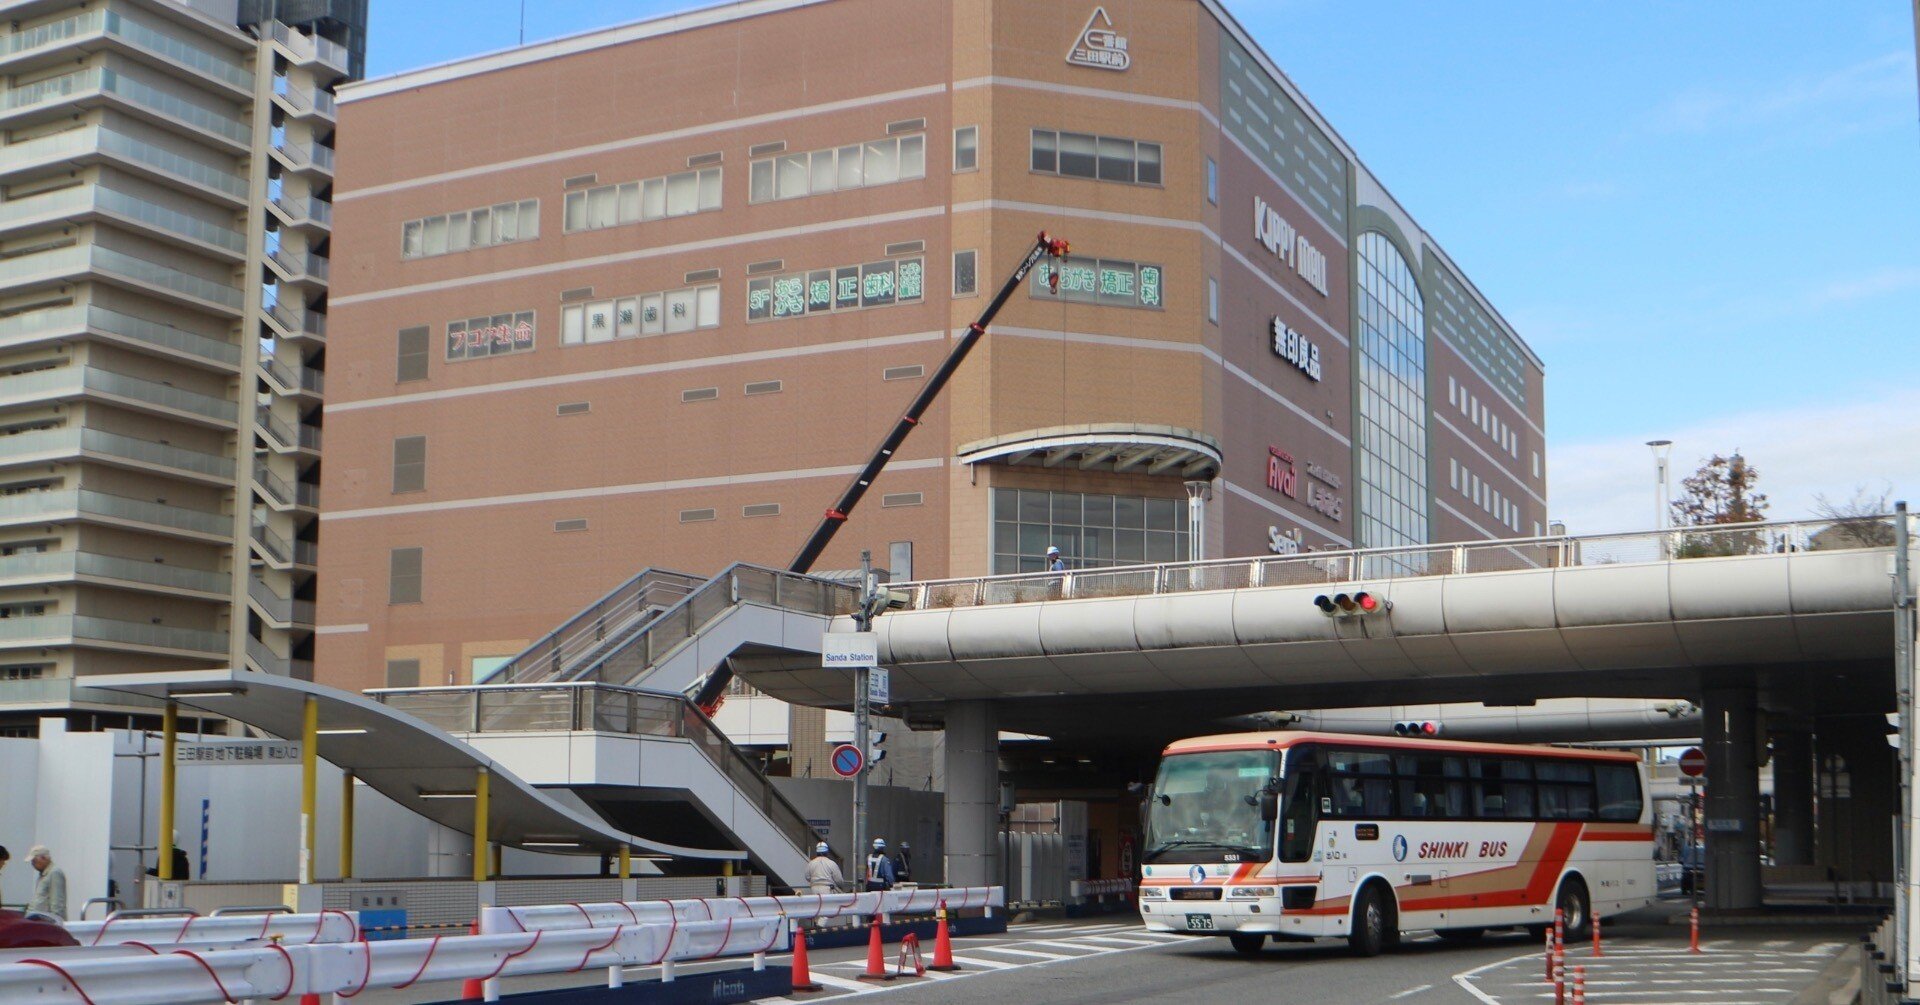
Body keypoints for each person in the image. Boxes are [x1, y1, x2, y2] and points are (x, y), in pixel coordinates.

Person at [26, 845, 65, 920]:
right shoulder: (43, 874)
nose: (32, 864)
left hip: (46, 922)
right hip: (38, 920)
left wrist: (57, 923)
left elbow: (57, 903)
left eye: (34, 861)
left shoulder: (55, 873)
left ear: (43, 858)